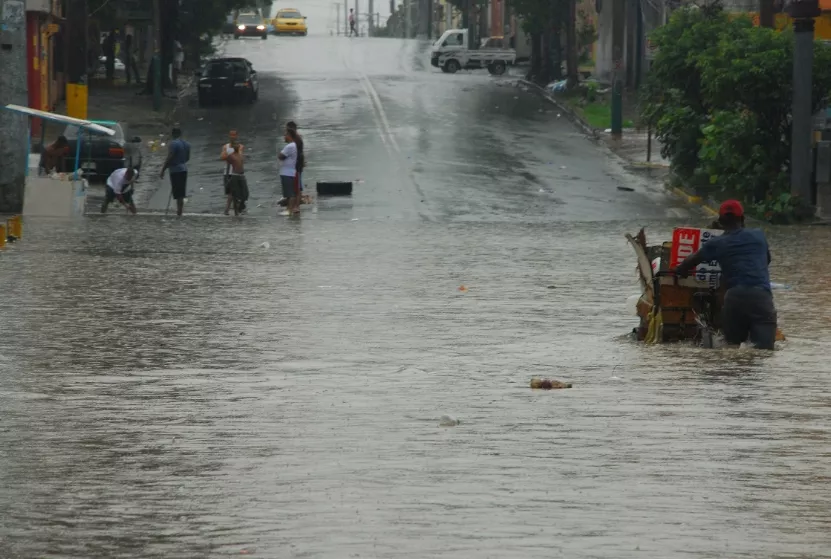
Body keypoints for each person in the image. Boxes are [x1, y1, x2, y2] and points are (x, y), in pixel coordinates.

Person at [673, 200, 777, 350]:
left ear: (720, 221)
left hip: (734, 299)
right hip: (761, 298)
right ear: (743, 219)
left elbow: (691, 260)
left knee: (732, 347)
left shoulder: (717, 243)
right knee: (764, 351)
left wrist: (679, 271)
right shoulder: (759, 236)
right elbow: (766, 260)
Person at [160, 126, 191, 216]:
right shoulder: (187, 144)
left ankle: (179, 211)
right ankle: (180, 211)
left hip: (175, 170)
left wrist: (163, 169)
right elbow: (187, 158)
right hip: (184, 169)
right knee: (181, 192)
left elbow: (170, 157)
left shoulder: (173, 144)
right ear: (180, 134)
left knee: (177, 193)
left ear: (173, 134)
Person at [221, 131, 245, 214]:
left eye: (234, 135)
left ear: (237, 136)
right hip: (228, 172)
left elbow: (240, 156)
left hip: (237, 172)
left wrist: (231, 155)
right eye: (231, 135)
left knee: (237, 192)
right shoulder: (225, 146)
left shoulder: (240, 146)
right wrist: (232, 155)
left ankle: (231, 209)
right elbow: (223, 157)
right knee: (231, 192)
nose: (232, 136)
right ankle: (230, 210)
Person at [278, 129, 301, 215]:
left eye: (285, 135)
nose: (284, 137)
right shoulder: (293, 145)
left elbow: (280, 156)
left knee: (290, 193)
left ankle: (289, 210)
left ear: (289, 136)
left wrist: (280, 154)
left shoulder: (290, 146)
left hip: (287, 172)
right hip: (289, 172)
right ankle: (289, 209)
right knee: (289, 193)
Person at [226, 145, 249, 216]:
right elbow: (228, 166)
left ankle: (240, 207)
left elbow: (242, 163)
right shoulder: (231, 156)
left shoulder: (241, 155)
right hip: (235, 175)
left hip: (242, 175)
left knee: (246, 193)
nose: (236, 147)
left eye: (237, 146)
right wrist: (227, 176)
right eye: (235, 146)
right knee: (235, 194)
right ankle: (236, 212)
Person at [287, 121, 305, 198]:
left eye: (287, 129)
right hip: (299, 160)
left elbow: (295, 151)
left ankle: (298, 196)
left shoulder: (296, 139)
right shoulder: (297, 138)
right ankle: (298, 194)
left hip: (297, 161)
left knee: (297, 177)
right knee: (298, 176)